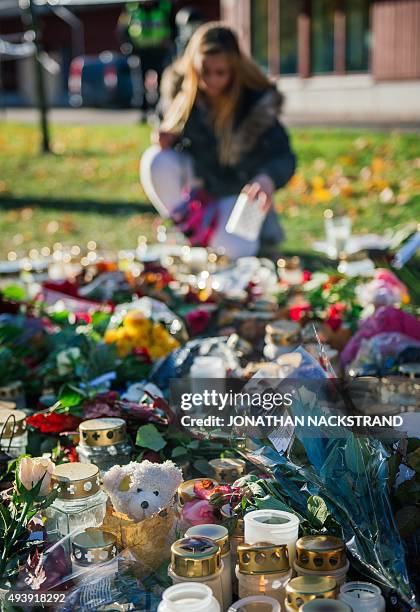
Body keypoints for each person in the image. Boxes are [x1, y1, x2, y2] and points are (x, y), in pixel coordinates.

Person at [140, 23, 296, 259]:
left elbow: (284, 156)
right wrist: (168, 138)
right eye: (204, 71)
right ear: (194, 67)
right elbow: (170, 134)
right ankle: (192, 231)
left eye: (220, 72)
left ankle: (216, 237)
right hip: (197, 186)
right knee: (156, 159)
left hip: (237, 191)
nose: (211, 80)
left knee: (237, 253)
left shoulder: (255, 103)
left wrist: (267, 178)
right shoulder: (180, 91)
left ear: (234, 70)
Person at [118, 0, 173, 114]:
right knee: (140, 82)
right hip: (140, 52)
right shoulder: (132, 8)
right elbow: (122, 29)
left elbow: (173, 27)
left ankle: (161, 108)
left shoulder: (164, 7)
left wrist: (170, 41)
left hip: (160, 51)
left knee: (163, 81)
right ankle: (143, 110)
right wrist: (128, 43)